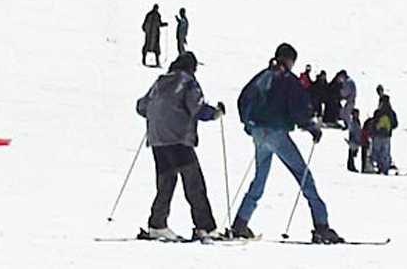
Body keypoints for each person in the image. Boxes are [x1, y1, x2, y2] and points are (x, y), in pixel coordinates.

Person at [230, 43, 344, 243]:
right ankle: (321, 226)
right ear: (290, 60)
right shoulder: (288, 80)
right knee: (303, 175)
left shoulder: (262, 76)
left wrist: (249, 125)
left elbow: (243, 99)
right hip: (276, 133)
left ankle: (240, 223)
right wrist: (311, 127)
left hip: (259, 133)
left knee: (259, 180)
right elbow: (298, 109)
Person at [136, 51, 225, 241]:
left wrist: (160, 116)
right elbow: (197, 108)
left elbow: (141, 107)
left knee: (166, 182)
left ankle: (157, 224)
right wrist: (216, 113)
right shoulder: (188, 82)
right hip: (179, 140)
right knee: (194, 183)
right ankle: (205, 227)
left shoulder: (160, 82)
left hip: (157, 139)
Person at [369, 94, 398, 174]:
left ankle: (378, 168)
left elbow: (374, 123)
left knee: (377, 152)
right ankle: (385, 169)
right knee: (385, 153)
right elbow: (395, 124)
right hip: (387, 136)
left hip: (377, 135)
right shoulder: (391, 112)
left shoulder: (378, 112)